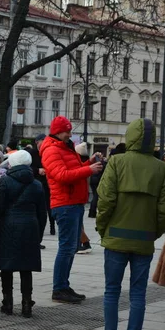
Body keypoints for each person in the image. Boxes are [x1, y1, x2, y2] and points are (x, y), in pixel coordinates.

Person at [96, 118, 165, 330]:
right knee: (138, 295)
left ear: (129, 137)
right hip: (143, 238)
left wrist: (102, 229)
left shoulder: (117, 162)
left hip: (115, 236)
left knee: (111, 291)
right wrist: (154, 232)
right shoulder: (161, 168)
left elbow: (105, 200)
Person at [40, 116, 103, 304]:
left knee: (71, 247)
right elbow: (62, 176)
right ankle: (59, 288)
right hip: (65, 204)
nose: (70, 134)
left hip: (73, 203)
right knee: (66, 248)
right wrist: (89, 170)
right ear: (57, 131)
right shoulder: (52, 150)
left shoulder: (63, 147)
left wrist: (86, 164)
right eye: (67, 131)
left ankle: (63, 286)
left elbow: (72, 171)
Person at [0, 150, 47, 318]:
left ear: (12, 163)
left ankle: (7, 303)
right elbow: (42, 213)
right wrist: (39, 234)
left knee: (6, 266)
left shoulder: (5, 181)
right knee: (26, 267)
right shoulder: (37, 184)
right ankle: (26, 304)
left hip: (9, 224)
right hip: (30, 226)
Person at [27, 134, 55, 236]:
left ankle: (52, 226)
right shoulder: (31, 153)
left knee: (49, 206)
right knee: (37, 207)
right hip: (35, 183)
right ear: (37, 142)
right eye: (41, 141)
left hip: (47, 183)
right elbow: (27, 168)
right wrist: (37, 170)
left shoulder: (49, 152)